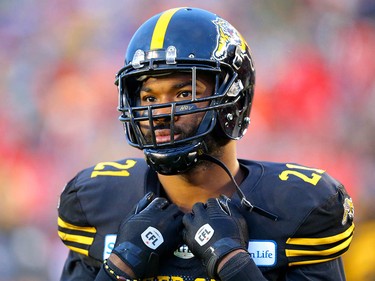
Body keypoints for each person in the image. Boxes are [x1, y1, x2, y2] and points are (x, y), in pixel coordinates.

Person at [57, 7, 355, 281]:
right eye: (149, 98)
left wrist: (236, 266)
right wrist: (120, 266)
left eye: (184, 94)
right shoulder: (96, 202)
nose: (161, 114)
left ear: (233, 99)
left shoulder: (298, 206)